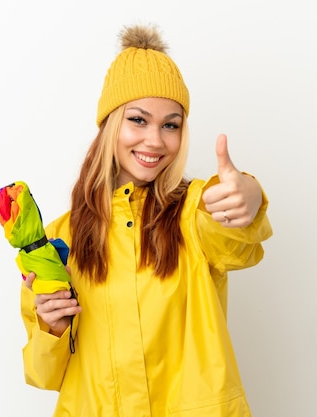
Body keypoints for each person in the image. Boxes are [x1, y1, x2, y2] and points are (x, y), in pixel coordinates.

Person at [20, 23, 273, 417]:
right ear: (110, 124)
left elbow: (235, 238)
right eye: (138, 120)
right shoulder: (56, 239)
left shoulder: (193, 212)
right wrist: (50, 328)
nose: (155, 140)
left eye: (170, 124)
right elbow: (43, 375)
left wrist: (250, 195)